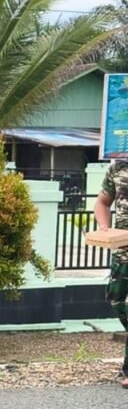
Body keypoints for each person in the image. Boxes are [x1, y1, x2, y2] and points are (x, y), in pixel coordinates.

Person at [92, 162, 128, 389]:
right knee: (116, 301)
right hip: (122, 255)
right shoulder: (118, 169)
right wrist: (105, 227)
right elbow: (102, 203)